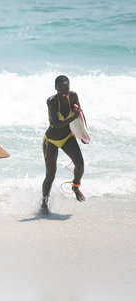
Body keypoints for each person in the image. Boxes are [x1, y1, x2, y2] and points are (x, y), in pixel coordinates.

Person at [41, 75, 85, 213]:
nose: (64, 92)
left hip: (67, 137)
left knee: (80, 164)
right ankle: (44, 203)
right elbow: (57, 124)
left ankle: (75, 186)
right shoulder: (51, 101)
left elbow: (81, 114)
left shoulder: (73, 96)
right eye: (61, 89)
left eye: (66, 88)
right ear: (55, 88)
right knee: (50, 175)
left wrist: (84, 133)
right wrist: (74, 116)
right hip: (51, 141)